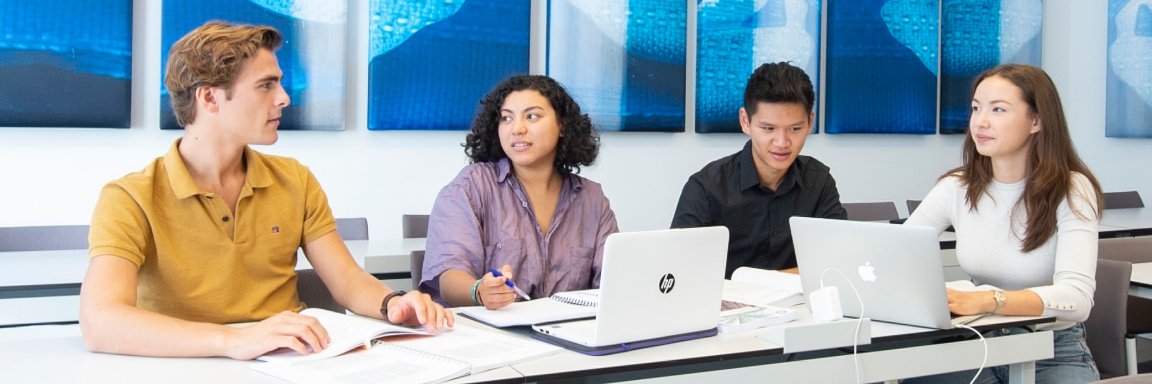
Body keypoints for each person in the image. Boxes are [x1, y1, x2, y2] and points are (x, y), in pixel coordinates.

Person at [79, 21, 452, 360]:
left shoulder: (295, 179)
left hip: (291, 363)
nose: (284, 98)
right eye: (266, 85)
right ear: (209, 98)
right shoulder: (129, 197)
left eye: (279, 82)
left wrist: (393, 303)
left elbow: (348, 282)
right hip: (186, 367)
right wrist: (235, 341)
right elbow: (101, 322)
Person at [904, 64, 1102, 383]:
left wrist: (988, 299)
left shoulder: (1072, 189)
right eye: (976, 108)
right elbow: (897, 253)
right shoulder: (957, 187)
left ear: (1036, 120)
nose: (980, 121)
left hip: (1050, 350)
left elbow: (1077, 300)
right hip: (975, 343)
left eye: (998, 109)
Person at [420, 75, 619, 309]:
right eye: (506, 118)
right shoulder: (471, 186)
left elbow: (614, 283)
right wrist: (479, 291)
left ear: (562, 125)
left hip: (569, 334)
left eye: (532, 116)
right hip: (492, 336)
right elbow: (448, 276)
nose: (517, 129)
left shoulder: (591, 198)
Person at [671, 62, 846, 278]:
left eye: (794, 129)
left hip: (801, 307)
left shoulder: (818, 181)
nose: (782, 142)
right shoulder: (706, 188)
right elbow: (680, 271)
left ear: (810, 122)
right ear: (745, 121)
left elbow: (837, 263)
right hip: (724, 308)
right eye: (768, 129)